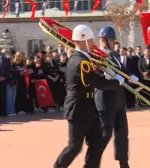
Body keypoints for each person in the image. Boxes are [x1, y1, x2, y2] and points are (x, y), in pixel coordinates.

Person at [54, 24, 124, 168]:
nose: (93, 43)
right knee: (74, 147)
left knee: (97, 141)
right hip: (78, 109)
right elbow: (98, 83)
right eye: (90, 40)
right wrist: (117, 81)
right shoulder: (81, 61)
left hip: (89, 109)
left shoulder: (82, 58)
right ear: (82, 41)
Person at [96, 26, 138, 168]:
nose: (114, 42)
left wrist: (130, 75)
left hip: (118, 100)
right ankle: (91, 161)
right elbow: (96, 79)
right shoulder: (97, 54)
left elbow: (121, 68)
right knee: (104, 135)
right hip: (105, 101)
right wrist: (108, 77)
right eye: (112, 40)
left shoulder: (113, 55)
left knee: (122, 134)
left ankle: (123, 163)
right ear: (104, 40)